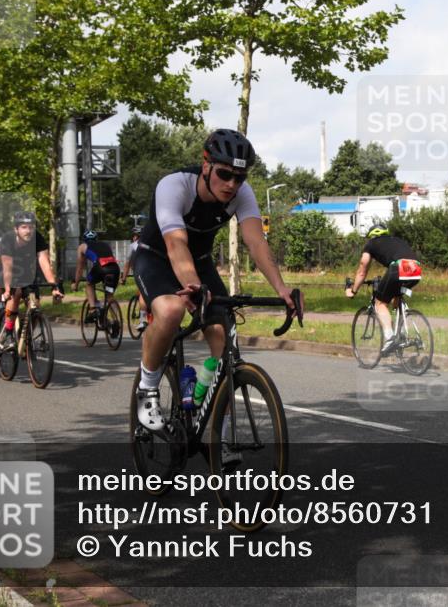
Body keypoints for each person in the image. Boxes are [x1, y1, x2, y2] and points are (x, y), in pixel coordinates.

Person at [132, 129, 300, 431]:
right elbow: (175, 243)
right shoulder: (174, 186)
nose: (232, 184)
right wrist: (195, 287)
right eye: (224, 174)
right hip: (156, 257)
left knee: (223, 335)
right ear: (206, 164)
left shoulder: (241, 194)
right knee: (171, 311)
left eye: (239, 177)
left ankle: (214, 429)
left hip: (199, 262)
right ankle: (147, 387)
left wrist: (283, 289)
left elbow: (256, 242)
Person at [345, 224, 422, 355]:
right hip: (415, 269)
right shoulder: (397, 240)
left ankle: (390, 338)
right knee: (396, 296)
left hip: (398, 268)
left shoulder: (371, 244)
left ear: (372, 235)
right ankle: (402, 334)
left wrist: (353, 290)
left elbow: (362, 269)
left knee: (379, 303)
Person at [0, 211, 64, 347]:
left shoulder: (37, 238)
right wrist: (7, 289)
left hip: (28, 274)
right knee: (15, 294)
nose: (28, 231)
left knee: (35, 305)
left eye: (31, 227)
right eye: (24, 227)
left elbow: (44, 262)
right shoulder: (8, 240)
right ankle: (8, 331)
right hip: (9, 272)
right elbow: (7, 268)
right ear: (16, 229)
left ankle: (26, 335)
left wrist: (54, 286)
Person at [72, 229, 121, 328]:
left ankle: (93, 309)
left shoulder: (82, 246)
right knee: (110, 296)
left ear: (84, 239)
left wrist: (75, 284)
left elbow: (80, 268)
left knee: (89, 284)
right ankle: (116, 322)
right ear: (96, 238)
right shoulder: (105, 244)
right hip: (114, 269)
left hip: (100, 268)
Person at [121, 225, 148, 332]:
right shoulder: (151, 243)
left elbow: (127, 263)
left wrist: (123, 278)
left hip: (143, 271)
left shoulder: (133, 245)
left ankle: (143, 320)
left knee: (142, 294)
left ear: (135, 236)